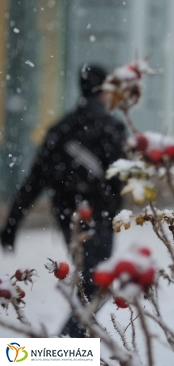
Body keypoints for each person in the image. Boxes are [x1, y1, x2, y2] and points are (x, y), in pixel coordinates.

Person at [1, 64, 126, 337]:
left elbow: (34, 181)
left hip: (70, 218)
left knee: (91, 285)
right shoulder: (112, 128)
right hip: (101, 218)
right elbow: (121, 178)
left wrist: (12, 223)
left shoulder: (61, 129)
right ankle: (65, 346)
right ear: (104, 90)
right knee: (96, 285)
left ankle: (67, 345)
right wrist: (113, 206)